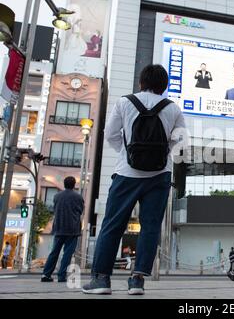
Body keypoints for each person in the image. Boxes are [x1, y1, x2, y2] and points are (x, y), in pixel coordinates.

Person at [82, 64, 186, 295]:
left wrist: (128, 154)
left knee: (112, 224)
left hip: (126, 175)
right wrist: (162, 154)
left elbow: (110, 134)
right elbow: (180, 141)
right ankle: (137, 281)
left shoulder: (124, 102)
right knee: (150, 227)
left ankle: (101, 280)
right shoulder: (173, 109)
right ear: (164, 86)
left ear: (141, 83)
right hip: (159, 176)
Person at [41, 176, 84, 283]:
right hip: (72, 229)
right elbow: (80, 211)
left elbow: (55, 209)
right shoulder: (78, 197)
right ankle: (61, 276)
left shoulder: (56, 196)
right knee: (67, 254)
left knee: (54, 252)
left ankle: (46, 274)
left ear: (64, 184)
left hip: (59, 227)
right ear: (74, 185)